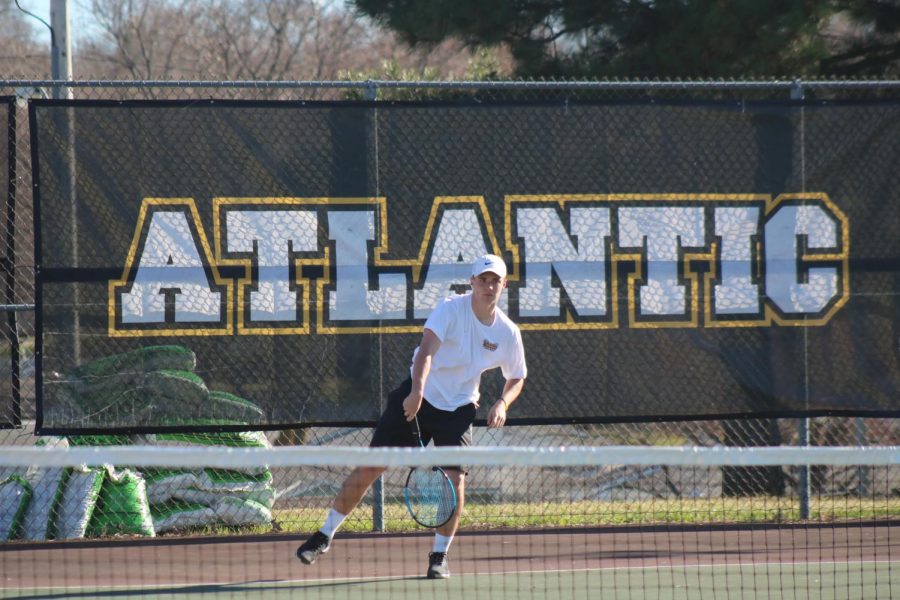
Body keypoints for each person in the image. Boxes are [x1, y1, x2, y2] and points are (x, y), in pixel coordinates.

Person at [296, 253, 527, 579]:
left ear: (503, 285)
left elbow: (517, 376)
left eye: (495, 281)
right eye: (483, 280)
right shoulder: (450, 310)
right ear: (472, 282)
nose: (489, 286)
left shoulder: (507, 332)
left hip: (460, 408)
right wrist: (416, 392)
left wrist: (502, 402)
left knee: (455, 482)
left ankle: (439, 556)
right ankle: (324, 535)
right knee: (371, 466)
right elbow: (426, 352)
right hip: (418, 397)